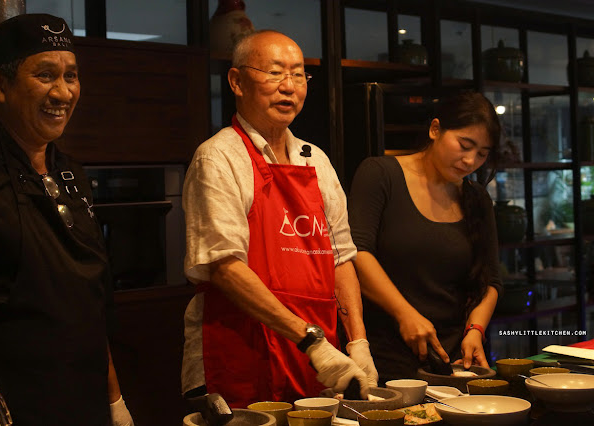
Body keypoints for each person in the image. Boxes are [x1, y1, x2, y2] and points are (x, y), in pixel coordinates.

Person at [181, 30, 378, 408]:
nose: (289, 87)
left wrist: (357, 342)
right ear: (237, 82)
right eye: (274, 73)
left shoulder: (315, 160)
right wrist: (312, 341)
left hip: (316, 360)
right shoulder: (218, 158)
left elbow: (340, 256)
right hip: (241, 353)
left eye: (299, 74)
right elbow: (224, 266)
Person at [0, 14, 133, 426]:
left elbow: (90, 304)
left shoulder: (72, 173)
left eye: (71, 76)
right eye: (45, 75)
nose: (63, 92)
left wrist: (114, 400)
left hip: (83, 404)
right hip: (1, 411)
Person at [347, 91, 503, 382]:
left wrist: (476, 330)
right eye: (464, 145)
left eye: (482, 154)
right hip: (388, 354)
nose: (470, 161)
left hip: (457, 359)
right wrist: (405, 313)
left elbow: (492, 281)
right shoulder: (381, 174)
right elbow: (357, 252)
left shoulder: (477, 198)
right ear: (435, 130)